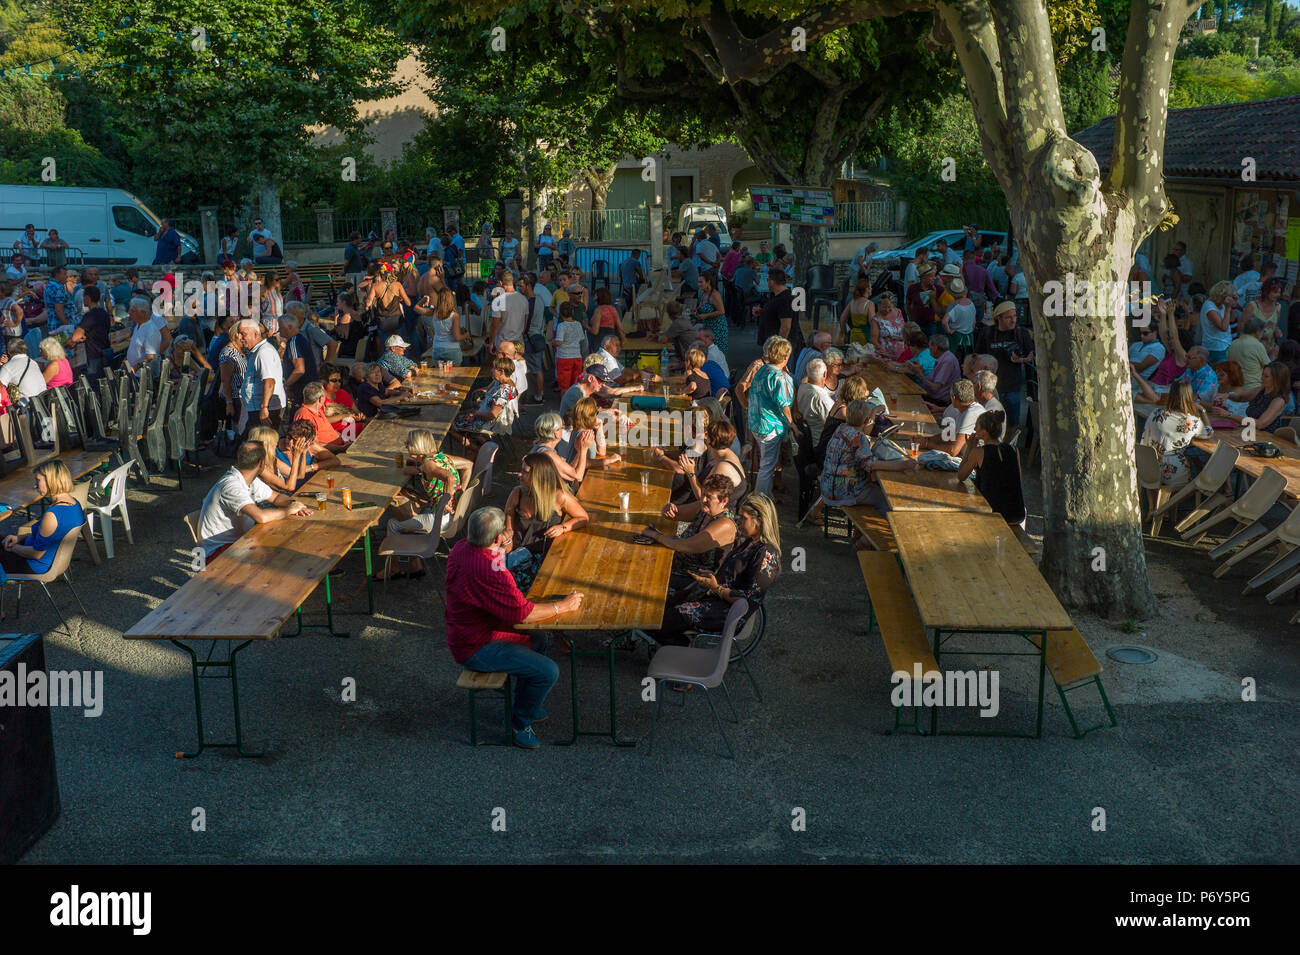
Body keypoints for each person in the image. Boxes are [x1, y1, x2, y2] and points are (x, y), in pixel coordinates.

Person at [445, 506, 584, 748]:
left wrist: (500, 550)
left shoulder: (461, 549)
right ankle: (519, 725)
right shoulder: (491, 570)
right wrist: (562, 606)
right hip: (476, 646)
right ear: (498, 538)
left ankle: (525, 702)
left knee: (539, 639)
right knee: (548, 671)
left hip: (467, 631)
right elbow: (523, 613)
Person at [644, 492, 781, 648]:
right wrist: (714, 577)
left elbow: (748, 601)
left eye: (744, 518)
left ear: (760, 521)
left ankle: (684, 652)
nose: (738, 521)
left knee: (667, 619)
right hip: (716, 598)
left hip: (729, 613)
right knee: (657, 606)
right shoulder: (751, 542)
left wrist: (716, 587)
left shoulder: (766, 555)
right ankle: (673, 647)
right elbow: (734, 577)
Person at [375, 430, 473, 580]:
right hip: (452, 514)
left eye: (408, 444)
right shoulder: (441, 457)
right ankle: (415, 564)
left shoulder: (428, 465)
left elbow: (449, 478)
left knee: (392, 524)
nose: (406, 446)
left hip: (441, 519)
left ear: (417, 447)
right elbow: (468, 464)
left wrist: (447, 499)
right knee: (407, 504)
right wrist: (461, 493)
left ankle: (393, 569)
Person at [810, 398, 920, 522]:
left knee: (873, 485)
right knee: (886, 500)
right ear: (867, 421)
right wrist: (903, 465)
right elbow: (870, 465)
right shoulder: (859, 438)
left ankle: (859, 534)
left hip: (827, 487)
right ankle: (868, 538)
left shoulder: (840, 428)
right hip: (844, 493)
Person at [197, 441, 310, 558]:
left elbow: (276, 497)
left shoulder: (248, 478)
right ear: (262, 463)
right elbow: (261, 516)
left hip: (240, 542)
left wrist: (295, 504)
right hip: (218, 552)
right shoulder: (232, 487)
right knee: (280, 555)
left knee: (284, 547)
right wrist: (289, 510)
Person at [0, 461, 86, 604]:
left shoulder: (52, 515)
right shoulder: (73, 503)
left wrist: (12, 547)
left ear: (51, 480)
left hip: (36, 564)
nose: (35, 485)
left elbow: (36, 553)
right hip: (49, 559)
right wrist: (19, 537)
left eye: (38, 480)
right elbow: (49, 536)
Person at [501, 452, 589, 591]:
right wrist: (508, 537)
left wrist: (563, 527)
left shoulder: (559, 497)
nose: (519, 474)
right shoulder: (517, 493)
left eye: (525, 472)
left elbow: (583, 518)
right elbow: (509, 518)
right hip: (517, 553)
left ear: (539, 476)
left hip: (543, 558)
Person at [644, 473, 738, 578]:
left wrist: (655, 535)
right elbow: (673, 515)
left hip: (694, 579)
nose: (703, 500)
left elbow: (687, 546)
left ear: (724, 501)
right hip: (678, 564)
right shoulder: (703, 508)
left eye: (709, 497)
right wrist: (667, 509)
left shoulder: (725, 524)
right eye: (703, 494)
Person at [958, 409, 1027, 527]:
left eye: (977, 427)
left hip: (993, 513)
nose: (974, 430)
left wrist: (969, 447)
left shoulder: (978, 452)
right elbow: (1018, 479)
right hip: (1017, 513)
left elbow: (961, 475)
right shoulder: (1014, 450)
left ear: (984, 432)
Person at [1139, 381, 1209, 493]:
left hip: (1149, 465)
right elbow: (1209, 433)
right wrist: (1202, 410)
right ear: (1189, 397)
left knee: (1153, 480)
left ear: (1170, 394)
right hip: (1174, 471)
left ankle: (1152, 508)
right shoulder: (1193, 422)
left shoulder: (1156, 413)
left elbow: (1145, 437)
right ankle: (1169, 509)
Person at [974, 301, 1034, 427]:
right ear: (998, 318)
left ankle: (1007, 446)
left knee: (1012, 423)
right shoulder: (987, 333)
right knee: (989, 424)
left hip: (1013, 386)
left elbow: (1031, 355)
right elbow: (977, 356)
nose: (1013, 320)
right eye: (1008, 317)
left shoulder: (1021, 333)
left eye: (1015, 316)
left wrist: (1021, 360)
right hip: (991, 387)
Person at [748, 335, 795, 496]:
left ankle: (767, 495)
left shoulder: (762, 370)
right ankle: (760, 499)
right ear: (785, 356)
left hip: (756, 422)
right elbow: (784, 404)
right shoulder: (779, 377)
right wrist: (792, 423)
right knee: (767, 466)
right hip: (770, 426)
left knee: (765, 464)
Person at [452, 355, 518, 444]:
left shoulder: (503, 392)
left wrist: (475, 414)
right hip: (483, 416)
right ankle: (479, 444)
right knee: (458, 414)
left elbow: (492, 415)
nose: (491, 370)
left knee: (451, 425)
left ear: (501, 372)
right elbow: (489, 394)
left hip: (488, 424)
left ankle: (475, 448)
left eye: (493, 368)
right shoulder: (500, 381)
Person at [1214, 362, 1294, 433]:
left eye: (1266, 376)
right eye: (1262, 374)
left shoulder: (1278, 400)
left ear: (1276, 379)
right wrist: (1227, 395)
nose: (1261, 378)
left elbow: (1260, 424)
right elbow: (1241, 397)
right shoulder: (1261, 389)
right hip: (1250, 432)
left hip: (1265, 438)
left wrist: (1229, 415)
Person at [237, 318, 286, 434]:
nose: (239, 337)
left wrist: (264, 408)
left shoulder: (264, 352)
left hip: (266, 409)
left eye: (243, 334)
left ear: (255, 334)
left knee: (260, 444)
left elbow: (269, 381)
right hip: (259, 407)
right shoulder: (259, 351)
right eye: (239, 334)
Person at [1226, 316, 1271, 394]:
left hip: (1235, 389)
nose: (1263, 334)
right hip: (1253, 389)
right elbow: (1270, 367)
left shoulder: (1233, 343)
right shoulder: (1257, 345)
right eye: (1263, 331)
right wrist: (1273, 355)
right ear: (1258, 332)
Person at [797, 358, 837, 446]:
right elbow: (833, 421)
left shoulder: (802, 387)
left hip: (806, 439)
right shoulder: (821, 397)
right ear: (825, 374)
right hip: (819, 443)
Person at [552, 301, 586, 391]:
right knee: (576, 385)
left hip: (564, 357)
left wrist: (553, 342)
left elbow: (559, 342)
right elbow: (582, 339)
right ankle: (576, 404)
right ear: (573, 312)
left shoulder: (561, 326)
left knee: (564, 386)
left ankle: (565, 404)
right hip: (577, 357)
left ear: (561, 314)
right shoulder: (578, 324)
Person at [1200, 280, 1236, 364]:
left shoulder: (1221, 304)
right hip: (1216, 348)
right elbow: (1223, 327)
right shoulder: (1210, 307)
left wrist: (1233, 304)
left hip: (1224, 345)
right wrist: (1228, 308)